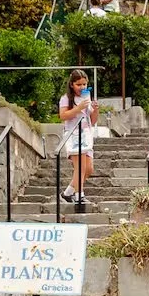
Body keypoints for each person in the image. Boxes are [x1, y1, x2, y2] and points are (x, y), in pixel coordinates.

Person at [57, 69, 98, 204]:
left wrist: (95, 109)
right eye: (78, 84)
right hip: (73, 134)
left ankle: (67, 193)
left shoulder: (86, 97)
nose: (82, 87)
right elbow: (63, 116)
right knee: (80, 167)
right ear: (72, 85)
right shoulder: (66, 98)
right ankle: (79, 195)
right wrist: (78, 108)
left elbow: (92, 120)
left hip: (86, 134)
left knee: (89, 168)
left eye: (84, 84)